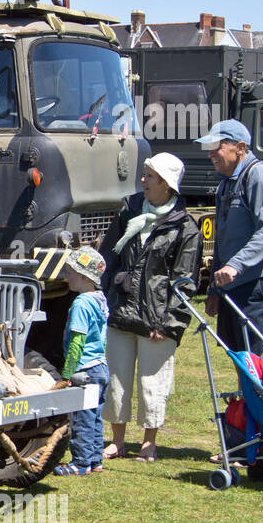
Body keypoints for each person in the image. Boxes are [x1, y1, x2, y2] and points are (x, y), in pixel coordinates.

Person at [98, 152, 203, 462]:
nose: (142, 180)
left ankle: (149, 442)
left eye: (149, 176)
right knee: (116, 378)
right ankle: (117, 441)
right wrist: (107, 296)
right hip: (121, 311)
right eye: (143, 174)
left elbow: (185, 281)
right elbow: (108, 258)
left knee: (153, 382)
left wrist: (170, 323)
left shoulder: (185, 227)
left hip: (158, 319)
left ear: (167, 185)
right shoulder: (127, 212)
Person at [197, 119, 263, 351]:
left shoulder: (258, 175)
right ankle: (245, 390)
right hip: (232, 285)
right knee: (240, 357)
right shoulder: (225, 184)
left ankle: (260, 391)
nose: (211, 155)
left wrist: (236, 265)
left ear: (239, 148)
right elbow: (221, 241)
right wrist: (215, 289)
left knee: (259, 360)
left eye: (216, 148)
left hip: (259, 285)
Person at [54, 246, 110, 476]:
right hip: (100, 366)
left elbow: (77, 341)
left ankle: (81, 463)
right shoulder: (99, 299)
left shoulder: (81, 304)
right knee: (95, 415)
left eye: (70, 271)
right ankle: (96, 459)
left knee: (82, 417)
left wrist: (67, 373)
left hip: (83, 369)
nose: (66, 276)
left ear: (85, 276)